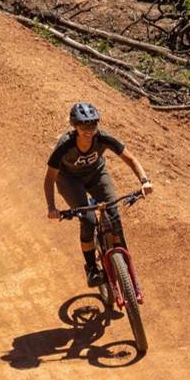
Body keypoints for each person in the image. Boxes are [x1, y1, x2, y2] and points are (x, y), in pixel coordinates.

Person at [43, 102, 153, 287]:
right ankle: (92, 268)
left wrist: (144, 180)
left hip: (96, 174)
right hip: (70, 180)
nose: (88, 130)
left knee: (114, 215)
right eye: (83, 125)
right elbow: (49, 179)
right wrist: (51, 207)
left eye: (92, 125)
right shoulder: (64, 146)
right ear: (74, 126)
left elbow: (130, 159)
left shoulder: (102, 138)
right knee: (88, 220)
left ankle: (127, 270)